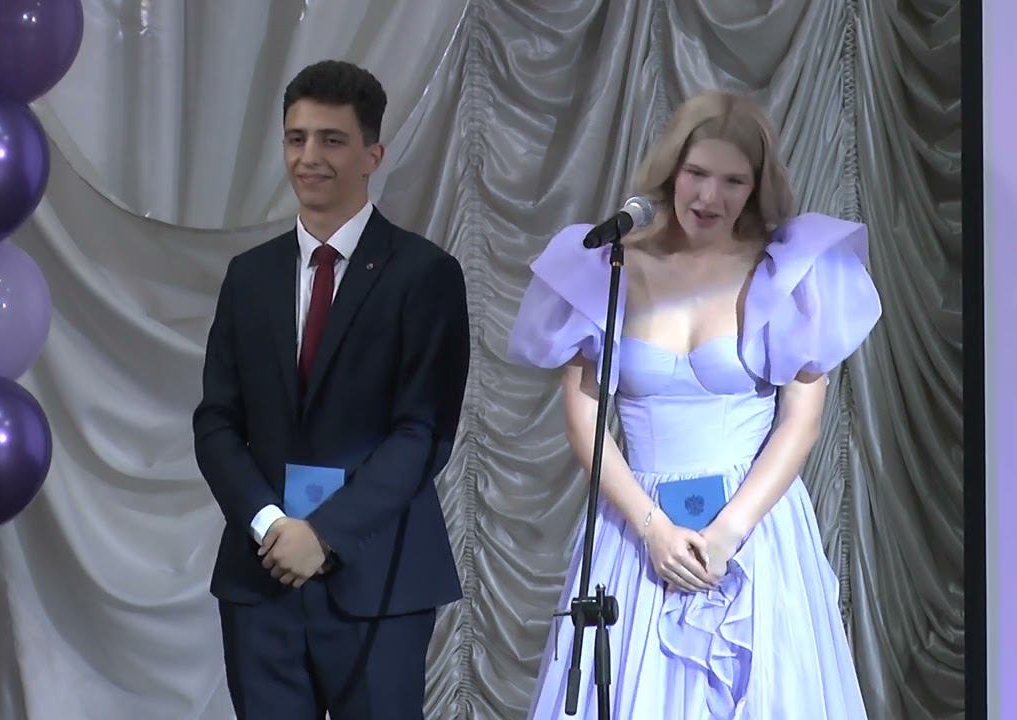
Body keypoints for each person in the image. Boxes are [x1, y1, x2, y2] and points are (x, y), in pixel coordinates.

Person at [508, 91, 880, 718]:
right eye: (697, 173)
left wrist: (729, 533)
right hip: (639, 526)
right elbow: (583, 415)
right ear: (670, 172)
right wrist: (652, 528)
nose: (710, 197)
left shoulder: (789, 271)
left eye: (734, 181)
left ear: (757, 187)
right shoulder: (610, 263)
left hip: (753, 528)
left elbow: (802, 421)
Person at [193, 60, 469, 719]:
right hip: (261, 577)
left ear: (373, 154)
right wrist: (271, 524)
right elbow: (216, 423)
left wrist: (324, 534)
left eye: (331, 140)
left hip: (378, 576)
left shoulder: (425, 274)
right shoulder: (249, 276)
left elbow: (422, 433)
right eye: (296, 138)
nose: (309, 157)